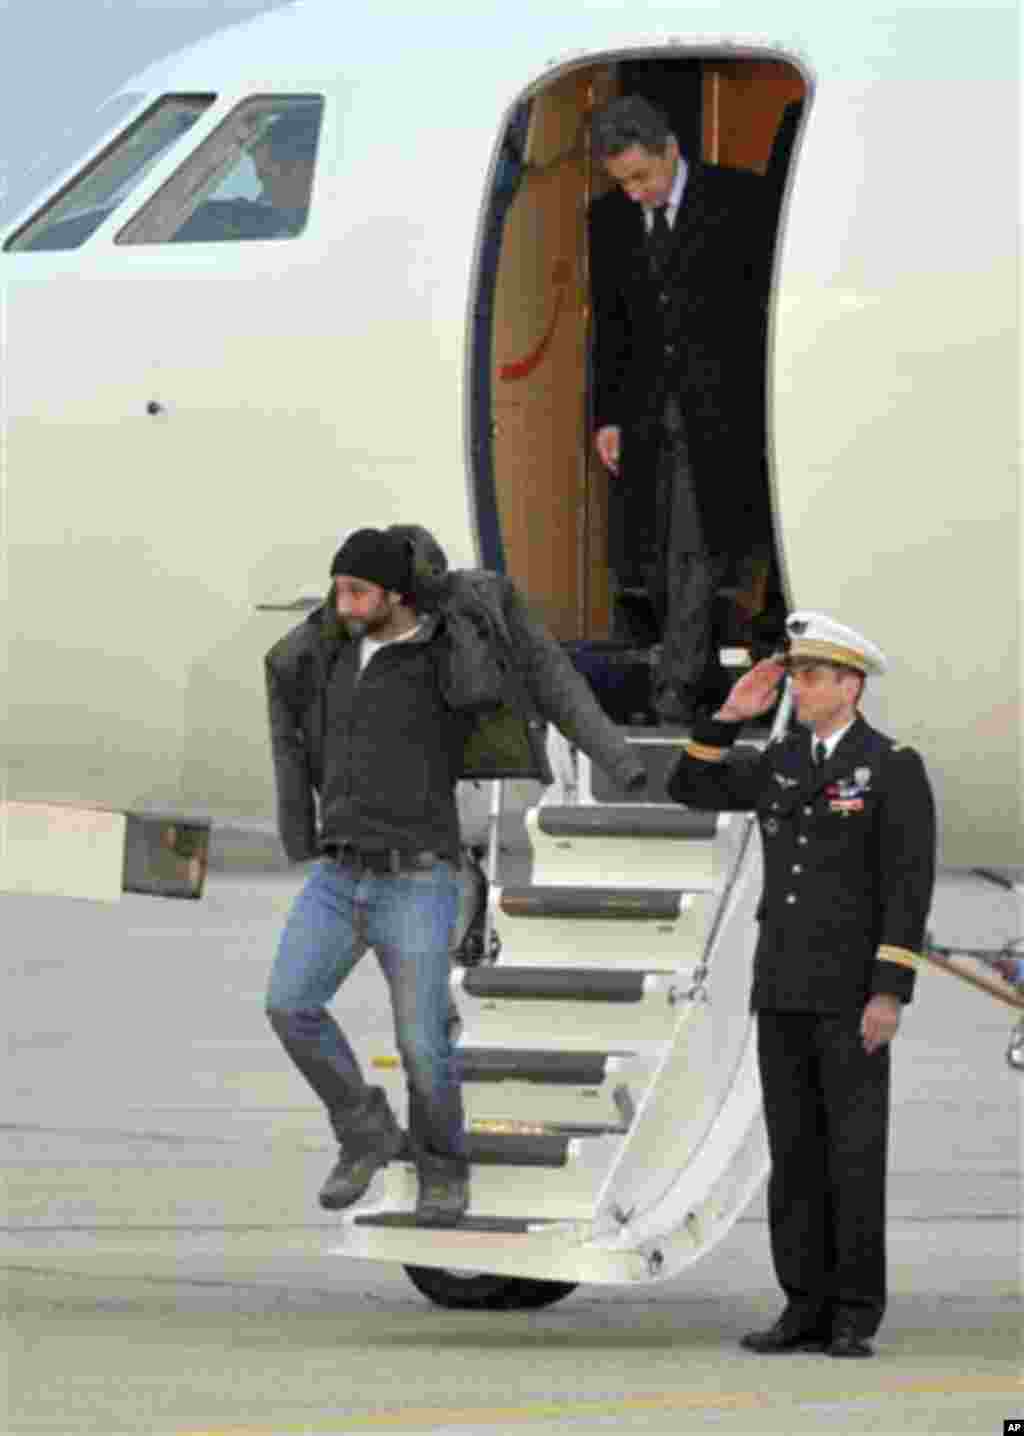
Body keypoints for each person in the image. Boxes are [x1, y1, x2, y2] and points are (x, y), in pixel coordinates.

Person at [264, 527, 645, 1228]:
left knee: (423, 1042)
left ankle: (443, 1169)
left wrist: (619, 762)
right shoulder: (327, 654)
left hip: (420, 878)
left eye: (356, 591)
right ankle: (365, 1129)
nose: (340, 604)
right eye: (338, 589)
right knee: (289, 1005)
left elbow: (553, 683)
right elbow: (284, 709)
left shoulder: (451, 659)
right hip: (338, 875)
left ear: (395, 595)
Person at [667, 611, 936, 1357]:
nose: (801, 686)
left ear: (850, 686)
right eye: (797, 673)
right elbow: (689, 784)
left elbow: (905, 890)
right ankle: (802, 1305)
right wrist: (728, 715)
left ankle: (853, 1309)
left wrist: (889, 993)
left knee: (852, 1152)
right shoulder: (781, 761)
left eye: (813, 676)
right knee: (794, 1155)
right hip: (782, 985)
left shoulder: (892, 767)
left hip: (852, 993)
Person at [588, 94, 773, 723]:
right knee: (654, 558)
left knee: (693, 548)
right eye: (622, 182)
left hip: (722, 409)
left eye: (643, 176)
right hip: (646, 411)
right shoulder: (608, 220)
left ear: (671, 150)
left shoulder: (742, 202)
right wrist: (607, 415)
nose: (635, 193)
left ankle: (675, 687)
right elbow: (611, 327)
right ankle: (684, 670)